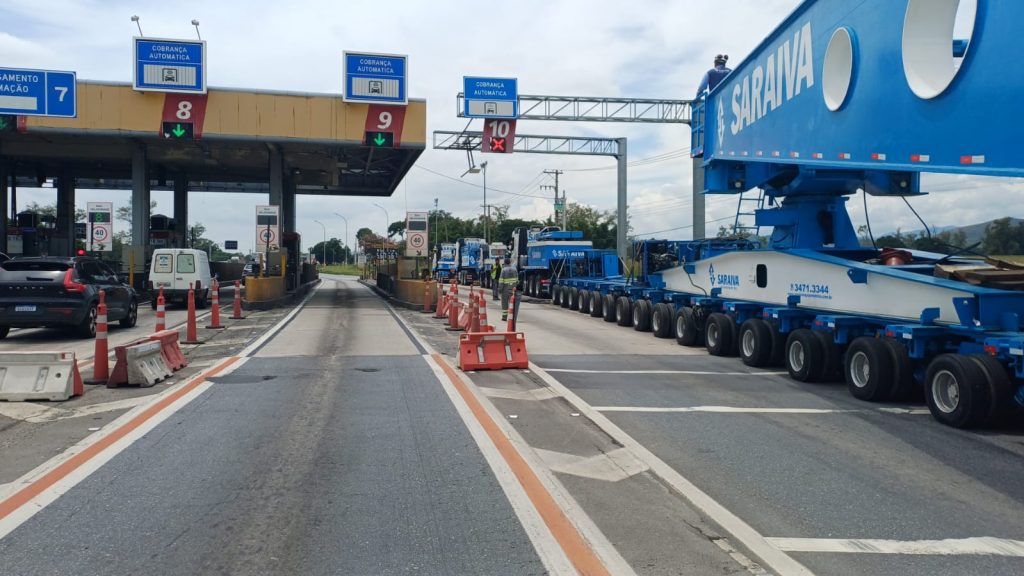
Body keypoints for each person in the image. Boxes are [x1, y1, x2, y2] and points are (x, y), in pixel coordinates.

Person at [499, 257, 518, 322]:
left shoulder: (503, 270)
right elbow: (517, 280)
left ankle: (504, 317)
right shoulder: (514, 269)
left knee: (504, 304)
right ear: (510, 262)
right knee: (512, 304)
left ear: (504, 262)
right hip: (513, 289)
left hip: (505, 289)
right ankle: (512, 317)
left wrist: (500, 289)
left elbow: (501, 281)